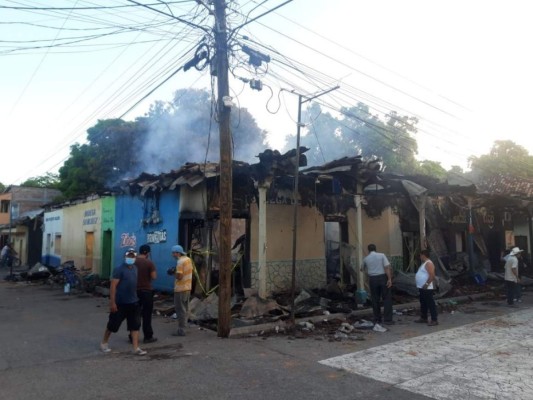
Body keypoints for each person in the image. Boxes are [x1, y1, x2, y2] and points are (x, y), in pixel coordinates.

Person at [100, 248, 147, 355]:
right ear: (125, 257)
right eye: (128, 256)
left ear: (135, 257)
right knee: (113, 325)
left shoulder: (135, 268)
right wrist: (112, 302)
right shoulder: (119, 269)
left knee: (135, 325)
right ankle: (104, 342)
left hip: (133, 302)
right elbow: (113, 286)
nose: (130, 258)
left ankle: (136, 348)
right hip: (120, 303)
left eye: (132, 256)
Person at [362, 244, 394, 325]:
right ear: (376, 249)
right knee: (387, 298)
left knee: (375, 299)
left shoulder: (366, 258)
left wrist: (369, 272)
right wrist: (389, 279)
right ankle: (388, 319)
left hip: (373, 279)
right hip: (383, 278)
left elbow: (362, 269)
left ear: (368, 250)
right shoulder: (382, 255)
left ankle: (377, 318)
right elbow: (387, 267)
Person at [133, 244, 158, 344]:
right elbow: (154, 277)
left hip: (134, 292)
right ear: (147, 253)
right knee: (147, 315)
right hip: (146, 292)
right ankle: (148, 337)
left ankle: (132, 336)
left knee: (134, 314)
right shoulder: (149, 263)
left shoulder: (133, 262)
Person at [171, 245, 193, 337]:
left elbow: (179, 276)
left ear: (177, 253)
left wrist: (173, 272)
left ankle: (181, 330)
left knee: (180, 310)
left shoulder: (180, 262)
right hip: (187, 287)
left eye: (173, 253)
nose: (172, 254)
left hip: (180, 289)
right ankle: (185, 326)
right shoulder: (188, 259)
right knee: (185, 308)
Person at [414, 249, 438, 326]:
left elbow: (432, 275)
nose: (420, 257)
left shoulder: (429, 263)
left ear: (423, 255)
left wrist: (427, 284)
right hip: (422, 287)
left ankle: (434, 319)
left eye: (420, 255)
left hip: (427, 287)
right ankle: (424, 317)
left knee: (430, 303)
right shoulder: (424, 263)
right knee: (423, 302)